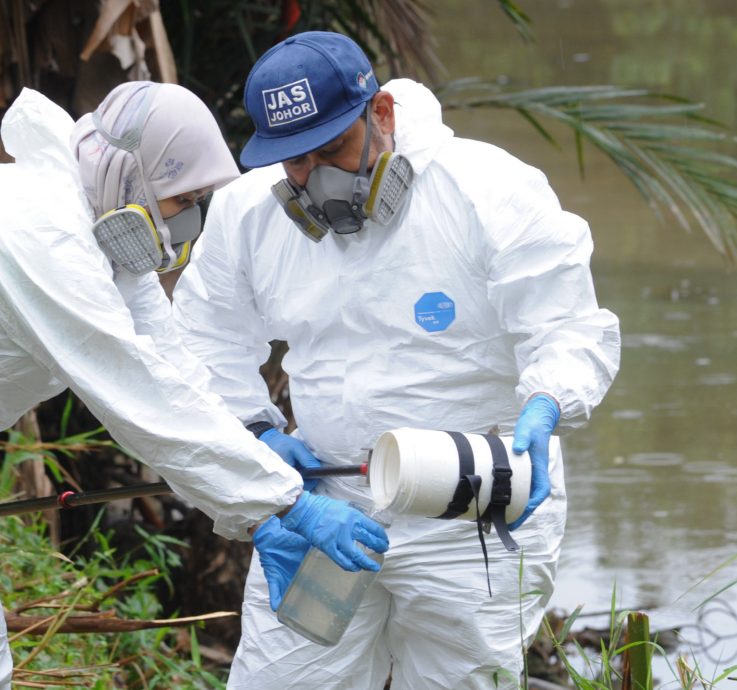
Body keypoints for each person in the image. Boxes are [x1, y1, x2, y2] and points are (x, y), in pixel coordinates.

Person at [0, 80, 388, 688]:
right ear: (129, 177)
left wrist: (255, 491)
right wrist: (286, 501)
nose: (190, 220)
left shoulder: (101, 238)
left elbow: (173, 377)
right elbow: (138, 402)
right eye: (183, 198)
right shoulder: (42, 231)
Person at [171, 31, 621, 689]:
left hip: (469, 505)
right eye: (294, 161)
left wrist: (549, 399)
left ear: (379, 114)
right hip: (326, 507)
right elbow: (202, 341)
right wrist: (257, 432)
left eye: (332, 150)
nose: (312, 179)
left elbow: (566, 325)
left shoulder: (486, 189)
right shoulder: (248, 214)